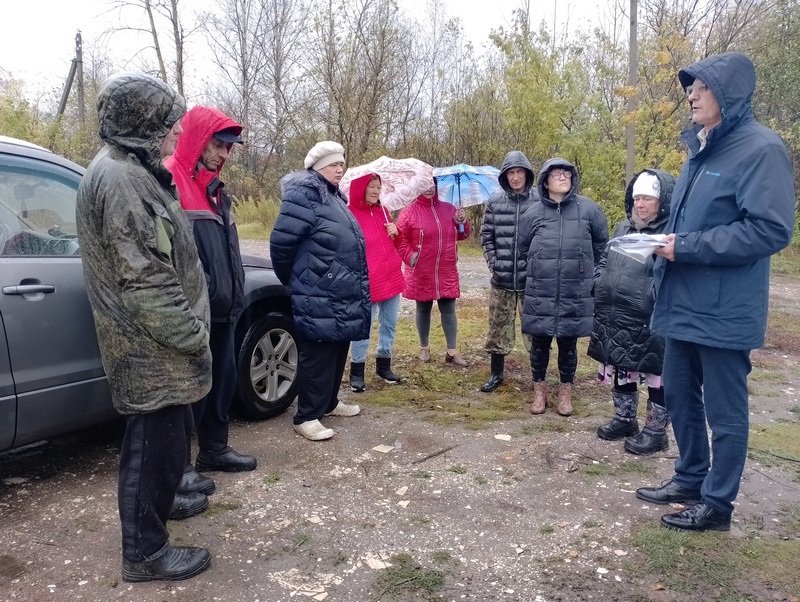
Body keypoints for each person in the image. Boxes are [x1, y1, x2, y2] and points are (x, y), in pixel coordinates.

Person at [635, 53, 796, 532]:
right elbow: (689, 222)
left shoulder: (761, 148)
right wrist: (657, 242)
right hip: (683, 300)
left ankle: (718, 503)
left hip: (726, 308)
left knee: (726, 410)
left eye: (701, 87)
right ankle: (690, 477)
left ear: (729, 94)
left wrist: (685, 247)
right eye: (691, 87)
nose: (691, 94)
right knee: (680, 396)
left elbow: (770, 230)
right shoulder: (699, 149)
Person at [75, 73, 212, 582]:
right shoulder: (119, 179)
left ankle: (163, 503)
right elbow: (145, 278)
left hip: (156, 341)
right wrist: (192, 333)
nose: (174, 135)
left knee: (169, 440)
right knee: (151, 445)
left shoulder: (132, 168)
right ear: (142, 124)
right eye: (166, 125)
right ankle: (145, 552)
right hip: (149, 344)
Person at [165, 106, 257, 494]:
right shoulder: (170, 178)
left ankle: (214, 449)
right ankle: (179, 466)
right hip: (192, 310)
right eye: (218, 144)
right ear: (198, 140)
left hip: (223, 305)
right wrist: (196, 294)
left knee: (222, 380)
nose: (224, 154)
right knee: (187, 391)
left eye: (228, 148)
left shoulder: (216, 190)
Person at [270, 141, 370, 441]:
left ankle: (328, 403)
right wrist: (300, 279)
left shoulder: (333, 196)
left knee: (338, 346)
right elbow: (281, 244)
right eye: (333, 164)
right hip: (317, 290)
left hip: (339, 289)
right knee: (318, 353)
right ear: (316, 166)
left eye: (341, 163)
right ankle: (306, 416)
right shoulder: (304, 195)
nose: (340, 168)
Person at [588, 169, 675, 455]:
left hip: (650, 315)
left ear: (661, 201)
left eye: (647, 198)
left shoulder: (670, 233)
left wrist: (651, 297)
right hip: (616, 311)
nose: (640, 204)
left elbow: (673, 276)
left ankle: (655, 431)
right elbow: (605, 258)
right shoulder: (624, 227)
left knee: (655, 371)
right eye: (637, 198)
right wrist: (599, 282)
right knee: (622, 364)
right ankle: (625, 420)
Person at [518, 158, 608, 416]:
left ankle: (566, 393)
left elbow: (603, 247)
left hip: (575, 290)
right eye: (556, 174)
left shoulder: (589, 210)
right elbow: (523, 249)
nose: (562, 177)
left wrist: (594, 277)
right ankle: (539, 392)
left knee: (568, 344)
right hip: (540, 290)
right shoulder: (533, 213)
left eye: (566, 173)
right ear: (545, 181)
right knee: (540, 344)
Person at [479, 151, 537, 393]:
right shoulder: (495, 201)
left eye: (519, 172)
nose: (515, 177)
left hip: (531, 281)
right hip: (501, 279)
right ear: (505, 176)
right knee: (498, 328)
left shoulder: (539, 201)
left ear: (526, 174)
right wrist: (494, 263)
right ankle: (496, 374)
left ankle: (538, 376)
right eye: (511, 173)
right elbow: (486, 236)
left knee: (535, 329)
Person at [397, 178, 470, 366]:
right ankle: (424, 348)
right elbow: (400, 240)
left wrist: (461, 222)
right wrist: (412, 257)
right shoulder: (409, 212)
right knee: (423, 308)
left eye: (432, 186)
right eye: (424, 185)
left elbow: (462, 235)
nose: (429, 189)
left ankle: (452, 351)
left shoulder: (448, 209)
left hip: (446, 269)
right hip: (421, 269)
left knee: (449, 309)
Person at [346, 173, 405, 391]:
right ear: (361, 188)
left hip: (391, 276)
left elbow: (397, 243)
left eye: (378, 187)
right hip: (367, 281)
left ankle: (383, 366)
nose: (375, 191)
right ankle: (357, 371)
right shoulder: (350, 214)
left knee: (389, 324)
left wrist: (396, 232)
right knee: (364, 327)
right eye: (371, 186)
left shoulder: (384, 212)